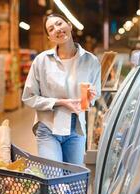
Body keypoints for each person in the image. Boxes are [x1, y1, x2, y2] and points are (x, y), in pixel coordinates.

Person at [22, 13, 101, 165]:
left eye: (59, 24)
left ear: (70, 26)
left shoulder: (91, 61)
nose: (57, 29)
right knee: (54, 181)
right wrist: (60, 102)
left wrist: (90, 97)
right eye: (51, 29)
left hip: (76, 128)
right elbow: (29, 97)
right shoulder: (41, 61)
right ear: (50, 38)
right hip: (48, 127)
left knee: (74, 182)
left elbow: (95, 94)